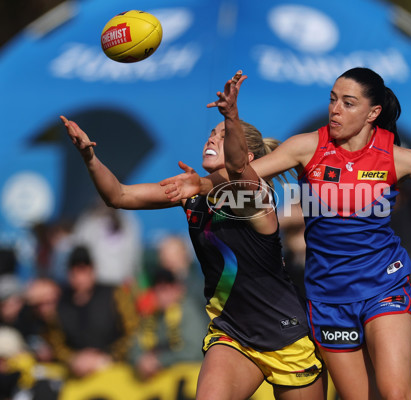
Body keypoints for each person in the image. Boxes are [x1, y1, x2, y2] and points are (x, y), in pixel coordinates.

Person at [161, 67, 411, 400]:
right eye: (333, 99)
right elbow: (242, 177)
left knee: (394, 393)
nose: (335, 109)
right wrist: (227, 130)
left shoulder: (396, 156)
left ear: (372, 113)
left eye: (348, 102)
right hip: (327, 297)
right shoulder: (307, 147)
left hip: (382, 284)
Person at [59, 76, 326, 399]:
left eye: (223, 136)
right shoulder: (191, 192)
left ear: (250, 156)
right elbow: (119, 195)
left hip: (284, 335)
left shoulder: (256, 199)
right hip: (232, 333)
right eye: (211, 134)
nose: (211, 139)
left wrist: (232, 118)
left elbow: (240, 172)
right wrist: (89, 158)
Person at [44, 245, 138, 378]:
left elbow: (133, 332)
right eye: (74, 271)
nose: (79, 276)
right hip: (78, 375)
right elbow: (56, 342)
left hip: (116, 370)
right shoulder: (60, 303)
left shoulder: (115, 294)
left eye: (84, 270)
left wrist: (108, 357)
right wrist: (74, 359)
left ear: (93, 270)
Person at [127, 267, 206, 380]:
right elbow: (134, 348)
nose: (162, 294)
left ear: (178, 289)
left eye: (166, 288)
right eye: (157, 289)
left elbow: (196, 351)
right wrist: (141, 360)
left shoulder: (188, 311)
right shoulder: (151, 315)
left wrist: (160, 361)